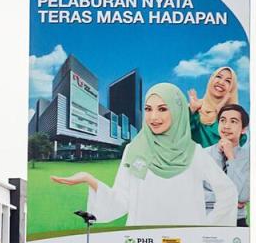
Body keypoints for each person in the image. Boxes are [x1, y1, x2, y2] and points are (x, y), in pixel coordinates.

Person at [51, 83, 237, 227]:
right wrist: (89, 179)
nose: (153, 117)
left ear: (178, 111)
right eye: (148, 109)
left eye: (163, 109)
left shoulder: (194, 152)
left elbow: (227, 192)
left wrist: (205, 227)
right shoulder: (135, 150)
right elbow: (121, 201)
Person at [207, 103, 250, 227]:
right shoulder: (204, 154)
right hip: (208, 219)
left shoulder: (249, 158)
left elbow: (242, 197)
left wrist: (231, 157)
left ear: (243, 129)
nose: (226, 126)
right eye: (222, 120)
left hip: (237, 220)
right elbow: (196, 193)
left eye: (233, 121)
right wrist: (229, 199)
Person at [187, 66, 240, 148]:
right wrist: (192, 110)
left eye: (228, 81)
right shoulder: (196, 107)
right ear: (211, 79)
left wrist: (220, 114)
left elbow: (237, 144)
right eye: (218, 77)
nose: (221, 82)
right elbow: (181, 136)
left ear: (232, 88)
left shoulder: (235, 115)